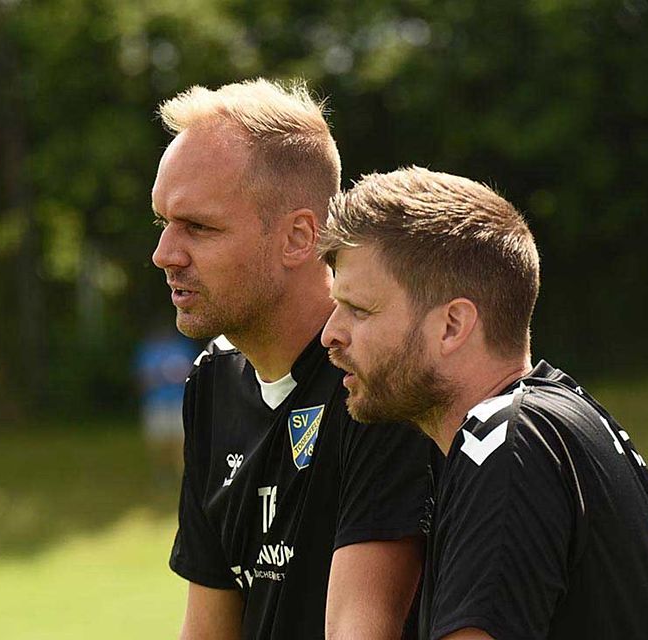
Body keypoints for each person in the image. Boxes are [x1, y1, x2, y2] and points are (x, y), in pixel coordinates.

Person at [318, 166, 648, 640]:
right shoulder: (563, 422)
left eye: (359, 309)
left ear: (452, 326)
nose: (330, 334)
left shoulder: (506, 444)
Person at [151, 79, 436, 639]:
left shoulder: (380, 380)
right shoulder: (212, 381)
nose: (164, 254)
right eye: (163, 222)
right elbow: (208, 628)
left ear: (299, 238)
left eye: (199, 227)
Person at [132, 326, 199, 482]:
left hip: (179, 401)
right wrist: (161, 377)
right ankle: (162, 474)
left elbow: (194, 372)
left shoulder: (183, 347)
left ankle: (183, 475)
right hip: (157, 402)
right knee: (159, 442)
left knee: (182, 441)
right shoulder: (148, 350)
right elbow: (141, 379)